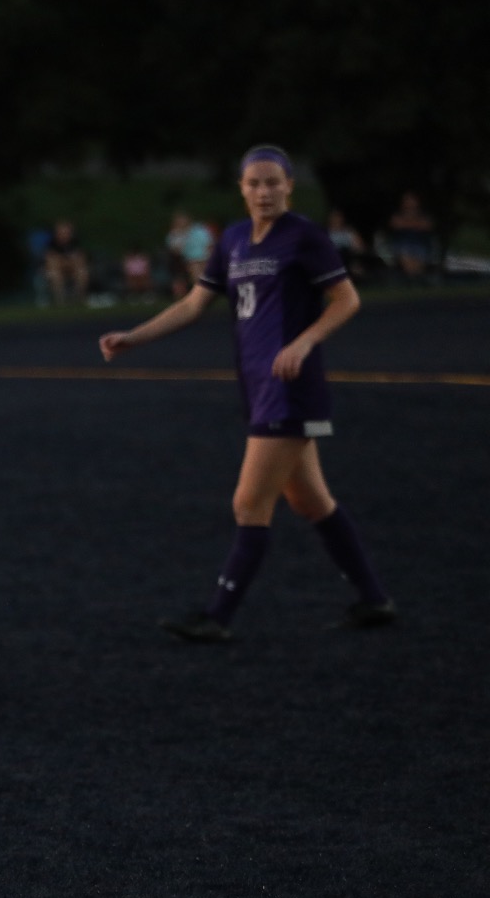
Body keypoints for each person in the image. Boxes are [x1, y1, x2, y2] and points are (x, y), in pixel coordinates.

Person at [99, 146, 394, 642]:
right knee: (311, 502)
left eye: (273, 182)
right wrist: (135, 336)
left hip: (290, 388)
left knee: (249, 503)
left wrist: (303, 341)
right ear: (240, 188)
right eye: (254, 183)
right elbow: (194, 303)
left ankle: (217, 616)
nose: (264, 192)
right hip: (258, 387)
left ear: (289, 186)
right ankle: (374, 600)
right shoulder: (233, 240)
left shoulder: (304, 236)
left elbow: (347, 299)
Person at [385, 192, 436, 282]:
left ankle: (415, 279)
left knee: (419, 257)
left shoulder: (423, 215)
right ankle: (414, 279)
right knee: (405, 255)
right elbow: (396, 224)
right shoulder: (397, 215)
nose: (410, 203)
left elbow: (427, 225)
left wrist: (407, 224)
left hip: (420, 245)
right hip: (402, 245)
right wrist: (415, 224)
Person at [41, 219, 89, 306]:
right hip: (57, 271)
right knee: (55, 275)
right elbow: (50, 262)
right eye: (61, 232)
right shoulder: (51, 244)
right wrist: (66, 262)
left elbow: (81, 260)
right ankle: (60, 302)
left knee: (83, 273)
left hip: (73, 270)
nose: (64, 235)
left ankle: (79, 299)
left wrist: (67, 262)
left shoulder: (76, 243)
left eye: (67, 232)